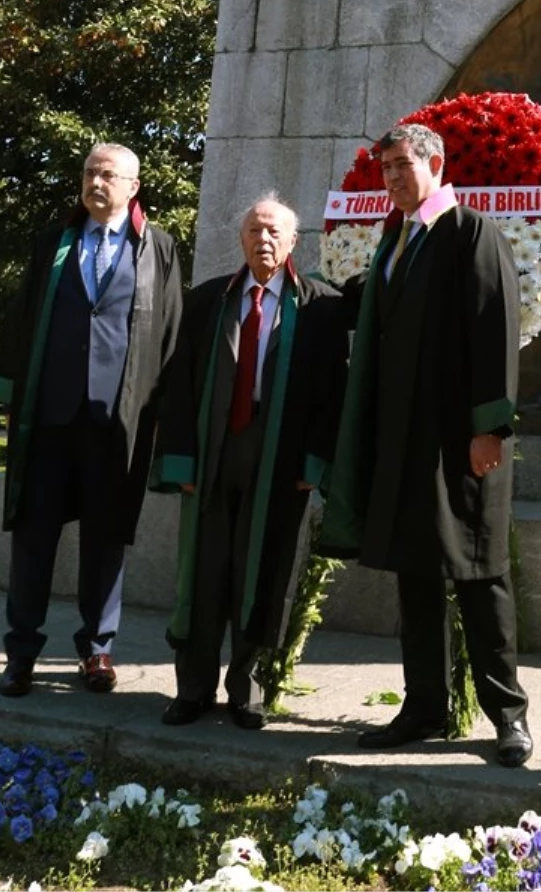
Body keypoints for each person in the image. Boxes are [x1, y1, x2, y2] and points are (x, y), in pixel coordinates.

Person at [321, 122, 533, 767]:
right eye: (384, 169)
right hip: (403, 440)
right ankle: (424, 707)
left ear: (434, 164)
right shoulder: (396, 239)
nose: (390, 179)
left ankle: (508, 715)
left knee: (477, 573)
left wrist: (489, 428)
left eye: (400, 167)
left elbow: (494, 327)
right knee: (415, 572)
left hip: (457, 441)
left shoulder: (471, 230)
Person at [0, 143, 183, 698]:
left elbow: (169, 333)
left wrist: (164, 413)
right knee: (34, 534)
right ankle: (21, 650)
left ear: (133, 186)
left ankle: (97, 649)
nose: (96, 181)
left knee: (106, 536)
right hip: (49, 415)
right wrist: (5, 394)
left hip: (117, 420)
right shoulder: (54, 241)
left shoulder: (158, 248)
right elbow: (22, 318)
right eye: (90, 172)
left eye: (108, 174)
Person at [152, 194, 348, 730]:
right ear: (241, 238)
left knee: (263, 571)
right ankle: (192, 689)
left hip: (280, 457)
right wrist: (180, 462)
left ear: (292, 243)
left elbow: (332, 395)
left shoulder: (319, 309)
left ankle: (248, 690)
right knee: (205, 571)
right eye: (255, 230)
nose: (264, 239)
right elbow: (181, 386)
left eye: (274, 233)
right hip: (215, 450)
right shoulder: (209, 301)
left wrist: (315, 464)